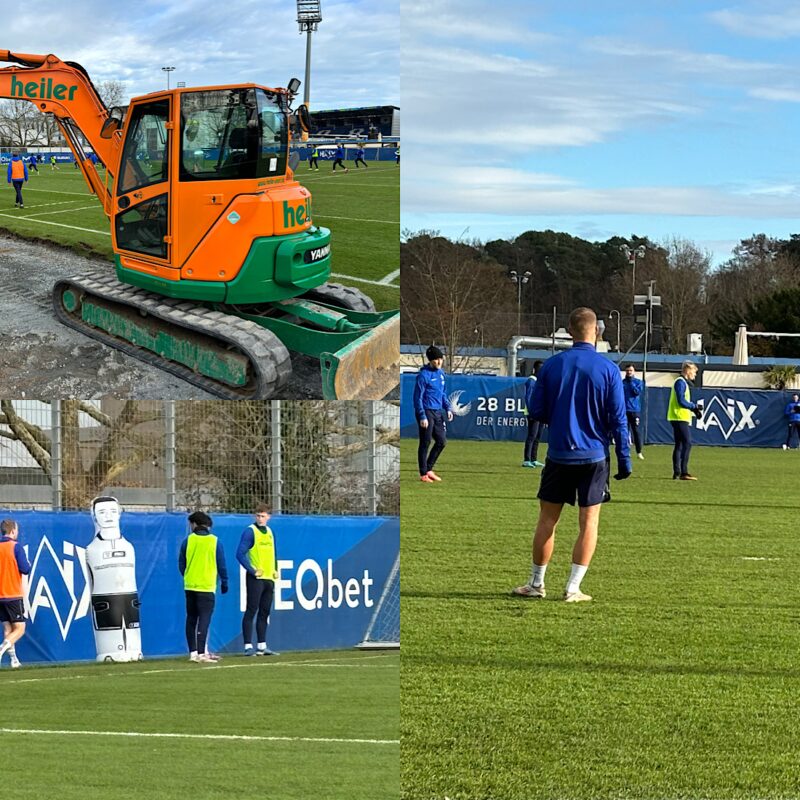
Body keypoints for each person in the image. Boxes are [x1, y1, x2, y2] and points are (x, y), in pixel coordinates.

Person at [512, 307, 630, 603]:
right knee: (588, 522)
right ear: (597, 332)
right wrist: (625, 459)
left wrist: (563, 419)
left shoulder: (551, 366)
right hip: (594, 457)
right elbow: (618, 418)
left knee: (546, 521)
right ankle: (573, 588)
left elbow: (536, 410)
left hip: (560, 454)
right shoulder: (608, 369)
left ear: (568, 331)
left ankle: (536, 583)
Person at [85, 496, 142, 662]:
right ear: (94, 516)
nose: (108, 516)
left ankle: (133, 649)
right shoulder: (92, 549)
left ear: (119, 513)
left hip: (128, 597)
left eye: (112, 511)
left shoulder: (128, 546)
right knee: (108, 624)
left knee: (130, 624)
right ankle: (108, 651)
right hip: (104, 599)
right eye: (102, 512)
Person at [179, 511, 228, 664]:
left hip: (190, 585)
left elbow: (181, 563)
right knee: (204, 619)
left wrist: (188, 575)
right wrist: (224, 581)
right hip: (206, 586)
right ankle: (202, 653)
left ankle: (194, 652)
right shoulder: (214, 541)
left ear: (194, 524)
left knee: (191, 619)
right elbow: (221, 564)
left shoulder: (188, 540)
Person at [237, 503, 279, 656]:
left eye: (263, 516)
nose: (260, 519)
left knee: (265, 612)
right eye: (258, 516)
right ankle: (248, 646)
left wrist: (275, 569)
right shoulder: (250, 531)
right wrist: (252, 570)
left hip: (269, 578)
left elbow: (274, 553)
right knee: (251, 610)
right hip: (256, 578)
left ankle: (262, 646)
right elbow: (240, 554)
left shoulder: (269, 532)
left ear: (269, 517)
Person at [414, 345, 453, 483]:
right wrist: (422, 415)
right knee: (425, 442)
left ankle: (429, 468)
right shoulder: (423, 376)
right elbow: (417, 397)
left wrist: (448, 408)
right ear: (430, 361)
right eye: (435, 360)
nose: (438, 362)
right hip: (426, 411)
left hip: (437, 412)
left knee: (442, 442)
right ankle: (423, 473)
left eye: (440, 359)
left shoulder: (441, 374)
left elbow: (442, 393)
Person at [0, 519, 31, 668]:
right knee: (20, 629)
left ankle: (14, 661)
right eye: (16, 530)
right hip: (12, 593)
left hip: (0, 595)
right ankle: (2, 648)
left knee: (8, 628)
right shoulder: (16, 547)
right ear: (12, 531)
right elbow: (25, 568)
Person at [668, 360, 703, 480]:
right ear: (688, 370)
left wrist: (695, 411)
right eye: (694, 371)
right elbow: (681, 401)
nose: (695, 374)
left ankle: (677, 472)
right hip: (679, 417)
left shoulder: (681, 382)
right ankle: (684, 472)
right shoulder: (680, 382)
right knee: (687, 443)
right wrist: (694, 407)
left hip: (678, 416)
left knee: (679, 444)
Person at [522, 360, 545, 468]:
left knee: (537, 436)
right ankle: (526, 459)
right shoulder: (532, 381)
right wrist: (532, 411)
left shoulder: (540, 381)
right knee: (532, 435)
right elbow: (528, 397)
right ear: (535, 369)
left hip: (539, 412)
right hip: (533, 412)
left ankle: (534, 459)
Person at [623, 364, 645, 460]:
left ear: (634, 371)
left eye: (631, 370)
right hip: (624, 410)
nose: (629, 372)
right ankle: (626, 451)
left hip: (634, 410)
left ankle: (639, 451)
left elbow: (636, 392)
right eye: (627, 370)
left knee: (636, 431)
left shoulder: (638, 382)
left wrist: (631, 382)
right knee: (624, 432)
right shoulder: (622, 383)